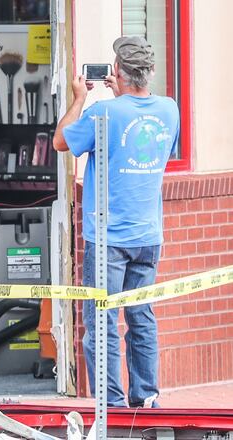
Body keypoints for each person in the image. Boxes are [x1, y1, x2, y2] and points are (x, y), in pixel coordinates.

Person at [53, 36, 179, 407]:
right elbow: (159, 145)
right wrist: (122, 96)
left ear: (117, 72)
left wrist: (80, 98)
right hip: (148, 236)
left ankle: (113, 406)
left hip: (108, 239)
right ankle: (147, 398)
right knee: (141, 319)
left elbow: (61, 141)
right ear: (151, 72)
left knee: (103, 325)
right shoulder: (169, 110)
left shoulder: (103, 113)